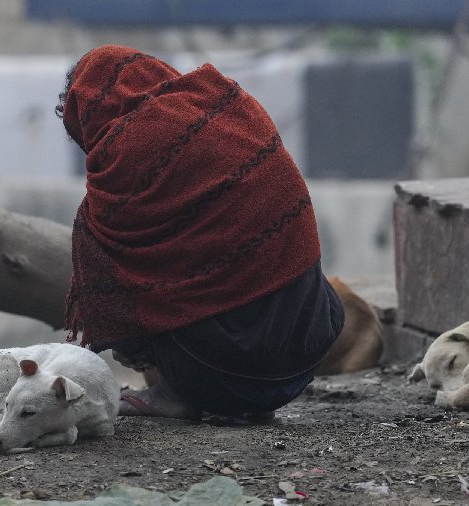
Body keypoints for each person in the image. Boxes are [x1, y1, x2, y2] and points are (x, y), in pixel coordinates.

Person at [56, 45, 344, 421]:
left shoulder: (126, 147)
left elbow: (108, 276)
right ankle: (244, 401)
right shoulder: (227, 100)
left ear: (91, 110)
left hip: (218, 367)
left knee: (97, 241)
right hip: (305, 352)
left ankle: (176, 395)